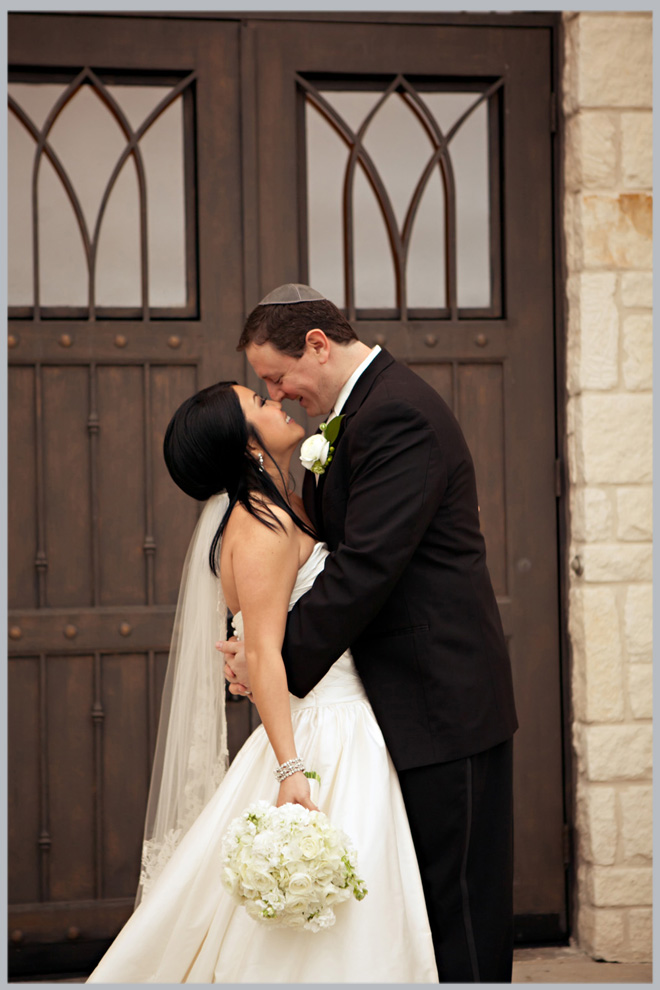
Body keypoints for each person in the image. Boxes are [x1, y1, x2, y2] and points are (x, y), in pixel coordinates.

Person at [87, 378, 438, 983]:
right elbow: (269, 656)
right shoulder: (262, 526)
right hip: (321, 733)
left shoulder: (281, 508)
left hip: (348, 718)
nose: (277, 401)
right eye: (260, 402)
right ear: (248, 447)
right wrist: (291, 770)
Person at [221, 283, 519, 983]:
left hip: (445, 704)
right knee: (416, 915)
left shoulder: (397, 415)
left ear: (318, 346)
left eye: (276, 377)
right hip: (397, 707)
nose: (280, 394)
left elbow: (365, 569)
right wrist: (260, 652)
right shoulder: (357, 413)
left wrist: (273, 661)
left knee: (461, 916)